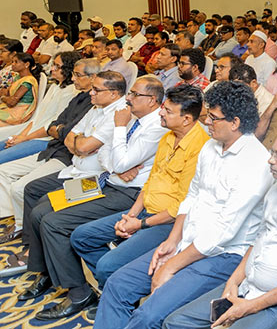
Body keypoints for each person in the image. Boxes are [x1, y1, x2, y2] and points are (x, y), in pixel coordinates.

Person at [94, 81, 273, 329]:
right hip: (187, 241)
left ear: (235, 123)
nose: (206, 122)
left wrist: (171, 266)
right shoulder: (211, 147)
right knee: (117, 284)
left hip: (223, 256)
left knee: (149, 316)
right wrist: (172, 241)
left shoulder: (256, 162)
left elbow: (222, 232)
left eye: (213, 117)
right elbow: (192, 195)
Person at [163, 128, 277, 329]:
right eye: (271, 153)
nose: (270, 160)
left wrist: (249, 307)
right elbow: (258, 240)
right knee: (176, 322)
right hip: (248, 287)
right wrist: (233, 282)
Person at [17, 73, 162, 320]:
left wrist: (117, 148)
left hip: (126, 192)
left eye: (135, 95)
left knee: (54, 222)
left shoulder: (151, 124)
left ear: (152, 100)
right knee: (41, 208)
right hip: (102, 179)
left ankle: (79, 293)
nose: (130, 98)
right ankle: (49, 274)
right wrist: (117, 164)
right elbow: (106, 157)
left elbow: (111, 156)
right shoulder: (128, 117)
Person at [70, 85, 208, 300]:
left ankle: (118, 295)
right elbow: (151, 181)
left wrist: (141, 224)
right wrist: (132, 215)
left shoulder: (200, 148)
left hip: (168, 222)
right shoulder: (168, 136)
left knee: (107, 265)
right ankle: (116, 291)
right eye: (164, 108)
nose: (161, 113)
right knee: (81, 237)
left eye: (168, 111)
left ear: (187, 119)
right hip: (141, 208)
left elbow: (182, 206)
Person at [0, 59, 97, 245]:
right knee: (5, 171)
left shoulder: (99, 107)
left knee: (25, 190)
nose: (74, 78)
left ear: (93, 78)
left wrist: (61, 132)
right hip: (55, 149)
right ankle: (13, 219)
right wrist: (61, 132)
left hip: (68, 158)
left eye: (78, 75)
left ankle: (27, 235)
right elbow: (56, 125)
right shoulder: (79, 97)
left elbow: (71, 136)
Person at [0, 52, 80, 165]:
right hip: (32, 134)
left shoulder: (71, 91)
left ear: (68, 68)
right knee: (4, 144)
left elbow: (52, 124)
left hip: (45, 139)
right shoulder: (54, 86)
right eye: (53, 65)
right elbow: (37, 118)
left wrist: (24, 139)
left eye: (57, 66)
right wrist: (20, 135)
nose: (52, 68)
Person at [0, 53, 42, 126]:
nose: (12, 64)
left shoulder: (28, 81)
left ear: (27, 64)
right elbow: (6, 93)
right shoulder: (18, 77)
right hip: (11, 109)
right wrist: (6, 96)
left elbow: (11, 102)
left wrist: (3, 97)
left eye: (16, 62)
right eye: (12, 61)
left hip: (19, 113)